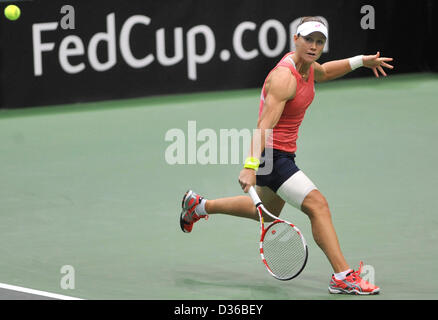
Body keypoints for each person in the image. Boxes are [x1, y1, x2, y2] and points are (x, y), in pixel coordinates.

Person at [179, 17, 393, 295]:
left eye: (320, 41)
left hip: (284, 154)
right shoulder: (283, 78)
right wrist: (250, 166)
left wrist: (360, 61)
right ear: (295, 39)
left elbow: (325, 72)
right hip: (272, 155)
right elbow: (264, 126)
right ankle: (342, 276)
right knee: (318, 205)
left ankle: (199, 205)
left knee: (268, 213)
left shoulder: (307, 68)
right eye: (308, 40)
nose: (314, 46)